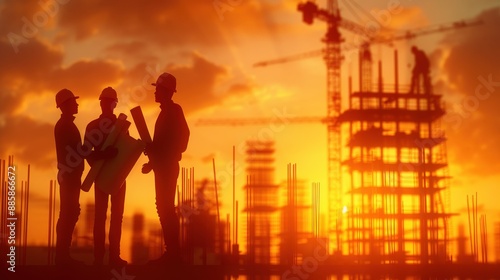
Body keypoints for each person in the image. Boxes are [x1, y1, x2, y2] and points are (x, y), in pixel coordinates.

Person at [142, 72, 190, 265]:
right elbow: (163, 143)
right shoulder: (165, 113)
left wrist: (167, 154)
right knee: (163, 207)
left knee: (166, 208)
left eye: (157, 89)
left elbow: (181, 138)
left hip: (168, 166)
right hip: (162, 165)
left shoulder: (174, 111)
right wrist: (152, 161)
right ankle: (172, 253)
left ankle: (173, 254)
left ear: (166, 91)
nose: (154, 92)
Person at [84, 87, 127, 266]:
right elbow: (86, 153)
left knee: (116, 216)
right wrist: (104, 156)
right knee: (102, 216)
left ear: (113, 104)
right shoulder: (93, 126)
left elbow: (127, 151)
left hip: (117, 177)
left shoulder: (122, 126)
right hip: (103, 176)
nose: (105, 105)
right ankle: (100, 257)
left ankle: (112, 257)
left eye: (108, 102)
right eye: (103, 102)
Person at [54, 88, 84, 266]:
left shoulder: (66, 124)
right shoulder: (65, 126)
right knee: (68, 213)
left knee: (69, 212)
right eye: (74, 101)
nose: (77, 104)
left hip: (70, 174)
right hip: (70, 175)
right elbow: (72, 152)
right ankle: (63, 256)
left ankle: (63, 254)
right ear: (65, 105)